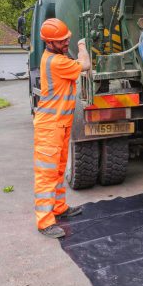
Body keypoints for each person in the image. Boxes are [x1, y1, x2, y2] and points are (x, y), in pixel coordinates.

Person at [33, 18, 91, 238]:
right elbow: (84, 65)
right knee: (46, 175)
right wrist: (82, 46)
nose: (66, 42)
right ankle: (45, 222)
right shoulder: (56, 62)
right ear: (49, 42)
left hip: (59, 124)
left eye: (67, 39)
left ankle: (59, 208)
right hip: (50, 127)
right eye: (62, 41)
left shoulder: (56, 56)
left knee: (58, 171)